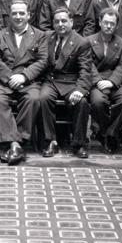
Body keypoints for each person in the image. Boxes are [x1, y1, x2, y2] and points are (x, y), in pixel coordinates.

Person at [0, 0, 48, 165]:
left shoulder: (39, 35)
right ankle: (15, 145)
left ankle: (14, 142)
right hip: (4, 81)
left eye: (22, 13)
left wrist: (24, 76)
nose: (18, 17)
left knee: (33, 99)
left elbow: (42, 60)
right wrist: (10, 77)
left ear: (28, 15)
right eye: (14, 13)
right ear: (9, 15)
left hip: (28, 81)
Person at [38, 8, 92, 158]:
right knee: (43, 98)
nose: (60, 24)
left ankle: (79, 144)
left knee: (82, 102)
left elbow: (86, 70)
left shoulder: (81, 42)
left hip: (71, 81)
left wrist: (80, 89)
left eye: (64, 21)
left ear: (71, 22)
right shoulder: (46, 37)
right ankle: (50, 141)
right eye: (57, 21)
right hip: (51, 80)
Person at [88, 8, 122, 153]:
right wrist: (98, 81)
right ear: (100, 22)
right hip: (96, 82)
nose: (108, 26)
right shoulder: (89, 41)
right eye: (106, 22)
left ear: (116, 25)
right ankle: (103, 132)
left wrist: (112, 82)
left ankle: (110, 133)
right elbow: (87, 64)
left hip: (115, 82)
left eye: (112, 24)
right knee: (98, 102)